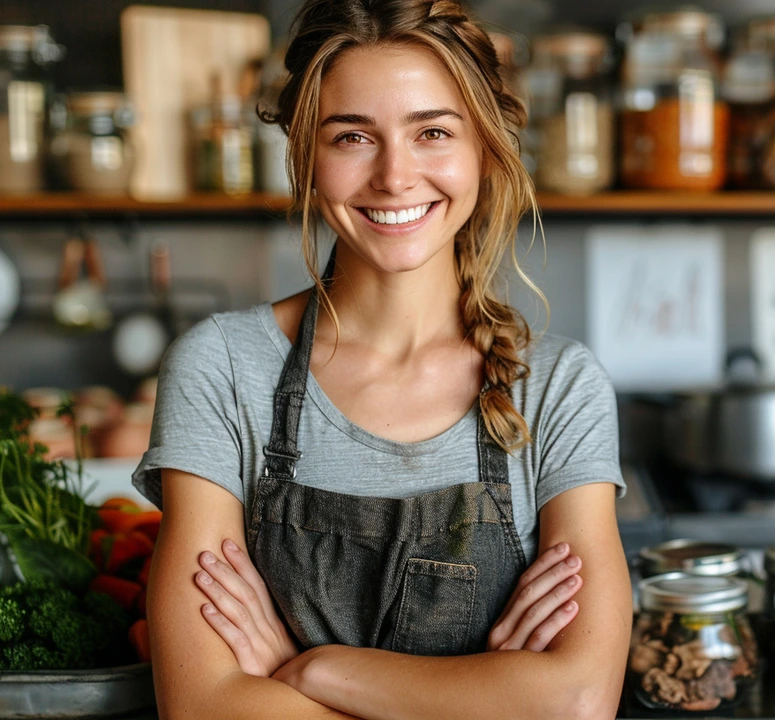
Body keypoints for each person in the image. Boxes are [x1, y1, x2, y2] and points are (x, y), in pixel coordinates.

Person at [131, 1, 632, 718]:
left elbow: (578, 702)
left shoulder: (557, 388)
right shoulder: (221, 367)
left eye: (432, 132)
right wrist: (489, 698)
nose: (395, 176)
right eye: (352, 137)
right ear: (306, 157)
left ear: (485, 150)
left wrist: (316, 672)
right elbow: (202, 705)